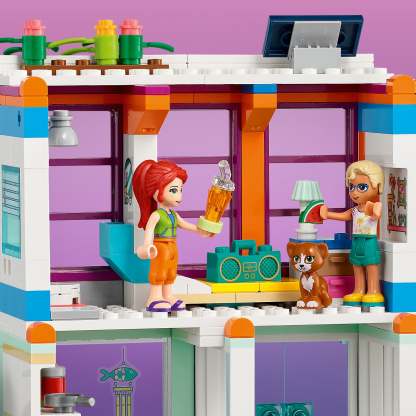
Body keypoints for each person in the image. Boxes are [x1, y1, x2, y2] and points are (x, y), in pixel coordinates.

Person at [132, 159, 212, 312]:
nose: (179, 195)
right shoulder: (157, 215)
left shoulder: (174, 214)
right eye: (174, 190)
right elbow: (149, 230)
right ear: (156, 190)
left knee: (170, 272)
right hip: (160, 247)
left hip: (172, 247)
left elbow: (185, 225)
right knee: (159, 272)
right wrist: (147, 244)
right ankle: (154, 297)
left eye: (180, 190)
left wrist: (201, 230)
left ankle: (168, 295)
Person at [320, 160, 385, 307]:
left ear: (378, 186)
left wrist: (374, 211)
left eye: (362, 187)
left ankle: (374, 290)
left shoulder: (375, 205)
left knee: (371, 265)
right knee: (357, 265)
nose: (355, 192)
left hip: (369, 241)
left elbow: (376, 214)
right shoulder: (355, 210)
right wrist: (327, 214)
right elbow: (344, 216)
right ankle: (359, 290)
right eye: (351, 187)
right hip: (356, 241)